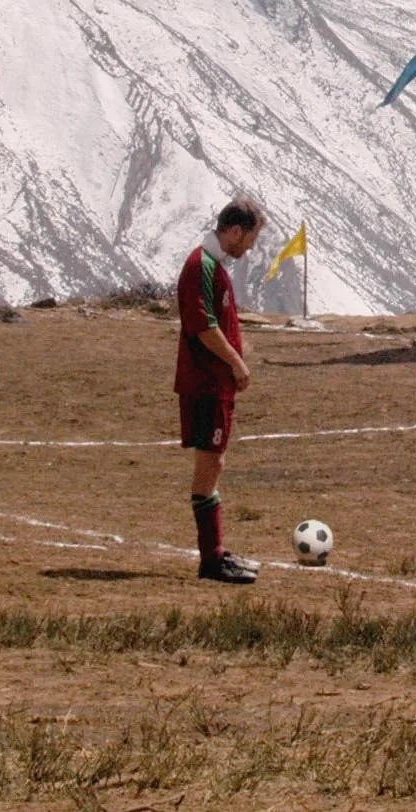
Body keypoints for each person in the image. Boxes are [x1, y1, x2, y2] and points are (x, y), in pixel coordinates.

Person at [179, 198, 263, 584]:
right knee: (209, 466)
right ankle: (211, 560)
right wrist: (236, 361)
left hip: (218, 385)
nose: (250, 247)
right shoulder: (200, 267)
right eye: (250, 238)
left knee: (216, 463)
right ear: (234, 231)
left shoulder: (214, 268)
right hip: (207, 383)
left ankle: (217, 553)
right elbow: (203, 326)